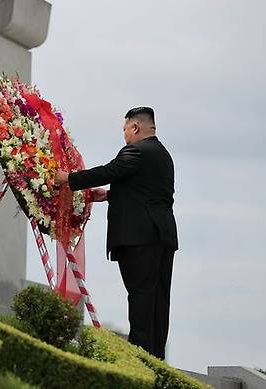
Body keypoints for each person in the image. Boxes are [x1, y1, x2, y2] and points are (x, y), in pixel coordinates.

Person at [55, 106, 178, 360]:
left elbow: (109, 171)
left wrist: (68, 178)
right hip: (162, 236)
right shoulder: (162, 154)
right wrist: (111, 195)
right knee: (158, 301)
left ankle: (140, 358)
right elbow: (147, 191)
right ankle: (155, 358)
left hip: (140, 238)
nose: (124, 136)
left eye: (125, 130)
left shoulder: (136, 151)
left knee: (141, 298)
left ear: (135, 127)